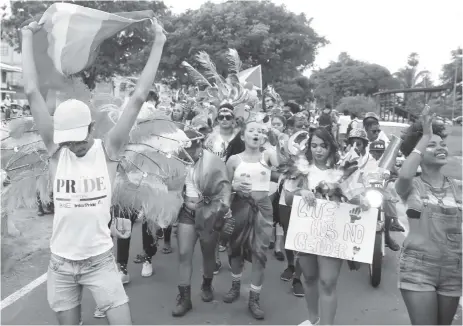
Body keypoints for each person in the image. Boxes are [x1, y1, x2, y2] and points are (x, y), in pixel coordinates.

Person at [21, 19, 166, 325]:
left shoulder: (109, 149)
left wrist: (158, 43)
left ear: (91, 128)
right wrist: (25, 36)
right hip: (60, 264)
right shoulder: (55, 150)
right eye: (69, 142)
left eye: (81, 138)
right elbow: (32, 91)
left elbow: (138, 97)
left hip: (99, 261)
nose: (76, 147)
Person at [395, 106, 461, 325]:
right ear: (419, 153)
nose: (441, 148)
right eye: (432, 146)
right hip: (418, 268)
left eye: (442, 144)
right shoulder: (410, 185)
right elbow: (404, 173)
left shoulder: (458, 187)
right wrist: (425, 136)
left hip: (454, 267)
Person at [288, 127, 348, 325]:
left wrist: (361, 200)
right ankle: (313, 320)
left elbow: (355, 196)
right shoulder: (301, 170)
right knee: (310, 278)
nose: (318, 150)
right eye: (314, 145)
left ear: (331, 147)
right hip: (306, 232)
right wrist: (300, 193)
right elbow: (288, 198)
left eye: (323, 145)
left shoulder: (342, 171)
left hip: (333, 233)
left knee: (328, 282)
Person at [172, 129, 232, 317]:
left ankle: (207, 284)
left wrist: (217, 210)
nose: (187, 154)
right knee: (184, 254)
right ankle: (185, 298)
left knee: (208, 254)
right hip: (187, 214)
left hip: (208, 215)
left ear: (199, 146)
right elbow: (170, 186)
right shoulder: (177, 160)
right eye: (183, 150)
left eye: (191, 149)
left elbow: (225, 190)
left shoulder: (213, 162)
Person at [223, 121, 279, 320]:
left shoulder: (268, 155)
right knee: (235, 250)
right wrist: (233, 187)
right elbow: (224, 187)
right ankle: (235, 286)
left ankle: (254, 298)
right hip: (239, 206)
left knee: (259, 254)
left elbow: (283, 165)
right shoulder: (233, 160)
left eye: (260, 131)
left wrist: (273, 141)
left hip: (263, 208)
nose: (256, 133)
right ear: (242, 136)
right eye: (251, 130)